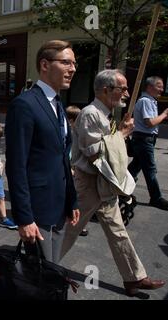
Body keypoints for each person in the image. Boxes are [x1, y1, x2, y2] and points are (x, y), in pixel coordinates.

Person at [62, 69, 165, 296]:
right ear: (107, 90)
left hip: (105, 183)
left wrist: (120, 131)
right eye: (123, 89)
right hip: (89, 184)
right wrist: (123, 134)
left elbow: (107, 147)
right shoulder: (90, 114)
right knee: (70, 229)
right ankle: (42, 262)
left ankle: (134, 278)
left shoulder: (106, 113)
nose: (127, 93)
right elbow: (93, 153)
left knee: (118, 231)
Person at [5, 40, 79, 264]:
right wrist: (24, 217)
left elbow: (62, 158)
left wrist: (71, 200)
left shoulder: (58, 104)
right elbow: (16, 166)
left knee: (52, 270)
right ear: (45, 65)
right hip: (37, 210)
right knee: (41, 275)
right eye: (66, 62)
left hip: (58, 206)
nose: (73, 69)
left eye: (74, 63)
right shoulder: (25, 104)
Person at [128, 76, 168, 210]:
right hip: (144, 139)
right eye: (159, 86)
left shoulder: (149, 100)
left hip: (144, 138)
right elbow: (149, 122)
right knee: (150, 169)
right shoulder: (146, 101)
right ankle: (156, 198)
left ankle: (119, 189)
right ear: (150, 86)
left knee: (135, 167)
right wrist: (164, 115)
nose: (161, 89)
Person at [66, 105, 89, 237]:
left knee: (76, 197)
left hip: (74, 168)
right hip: (69, 168)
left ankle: (77, 224)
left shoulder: (77, 131)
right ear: (71, 120)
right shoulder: (68, 132)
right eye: (78, 120)